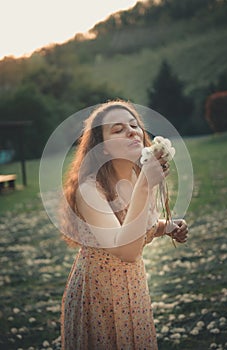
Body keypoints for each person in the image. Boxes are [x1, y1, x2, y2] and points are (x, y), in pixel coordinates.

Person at [60, 100, 188, 349]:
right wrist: (144, 186)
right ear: (103, 148)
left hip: (133, 288)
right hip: (99, 296)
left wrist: (166, 226)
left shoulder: (134, 177)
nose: (132, 131)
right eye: (118, 129)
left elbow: (137, 229)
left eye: (134, 125)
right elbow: (125, 250)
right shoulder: (89, 189)